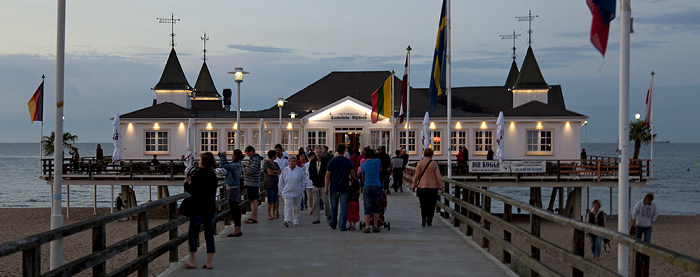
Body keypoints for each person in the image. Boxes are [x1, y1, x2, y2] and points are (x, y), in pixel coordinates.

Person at [183, 152, 218, 269]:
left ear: (204, 162)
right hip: (211, 207)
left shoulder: (198, 175)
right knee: (209, 235)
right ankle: (209, 263)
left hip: (198, 208)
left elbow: (192, 190)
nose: (199, 162)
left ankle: (192, 260)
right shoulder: (213, 175)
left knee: (193, 233)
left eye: (200, 160)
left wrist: (186, 183)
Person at [325, 143, 356, 231]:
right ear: (345, 150)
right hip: (344, 187)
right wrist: (352, 178)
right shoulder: (348, 161)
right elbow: (353, 174)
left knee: (334, 207)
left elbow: (327, 175)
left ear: (336, 150)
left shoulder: (331, 161)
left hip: (334, 187)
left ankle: (333, 223)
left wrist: (326, 188)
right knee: (343, 208)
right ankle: (342, 226)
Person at [411, 148, 444, 227]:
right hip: (433, 188)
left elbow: (416, 176)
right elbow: (438, 176)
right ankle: (430, 220)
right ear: (431, 154)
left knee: (423, 204)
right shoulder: (434, 164)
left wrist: (413, 185)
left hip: (422, 187)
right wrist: (441, 187)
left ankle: (423, 218)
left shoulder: (420, 163)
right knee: (432, 205)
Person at [218, 150, 244, 237]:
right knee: (235, 210)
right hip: (234, 188)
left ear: (236, 156)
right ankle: (237, 229)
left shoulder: (236, 165)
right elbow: (227, 166)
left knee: (235, 210)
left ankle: (237, 230)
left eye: (232, 155)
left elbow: (223, 166)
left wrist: (222, 157)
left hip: (233, 189)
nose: (231, 156)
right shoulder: (238, 164)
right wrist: (223, 157)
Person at [278, 156, 307, 227]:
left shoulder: (299, 170)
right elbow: (281, 182)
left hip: (297, 191)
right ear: (289, 162)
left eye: (294, 161)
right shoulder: (285, 170)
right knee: (288, 206)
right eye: (292, 161)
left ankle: (296, 220)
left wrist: (301, 189)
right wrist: (282, 190)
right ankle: (287, 220)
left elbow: (304, 181)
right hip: (287, 192)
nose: (293, 162)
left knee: (296, 207)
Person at [360, 148, 382, 233]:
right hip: (377, 185)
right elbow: (380, 170)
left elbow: (363, 177)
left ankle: (366, 226)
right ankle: (375, 225)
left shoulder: (363, 165)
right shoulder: (377, 161)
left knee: (367, 206)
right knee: (377, 206)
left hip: (367, 186)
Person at [243, 146, 264, 224]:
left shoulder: (255, 159)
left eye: (247, 153)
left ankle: (254, 217)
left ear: (251, 151)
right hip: (252, 182)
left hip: (252, 182)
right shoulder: (254, 159)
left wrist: (244, 168)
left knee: (253, 200)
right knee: (252, 200)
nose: (247, 154)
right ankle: (253, 216)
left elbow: (252, 170)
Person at [309, 148, 329, 224]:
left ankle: (328, 215)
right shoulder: (312, 162)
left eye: (320, 152)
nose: (318, 154)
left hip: (323, 184)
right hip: (315, 184)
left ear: (322, 153)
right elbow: (310, 171)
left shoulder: (326, 161)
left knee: (325, 201)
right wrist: (313, 179)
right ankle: (316, 217)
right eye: (317, 152)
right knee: (315, 202)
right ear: (315, 153)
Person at [262, 150, 281, 220]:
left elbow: (280, 171)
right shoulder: (266, 164)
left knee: (275, 199)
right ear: (273, 156)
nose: (276, 156)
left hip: (275, 183)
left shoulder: (275, 163)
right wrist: (276, 172)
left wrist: (275, 172)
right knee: (270, 199)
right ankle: (269, 214)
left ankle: (274, 213)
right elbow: (270, 172)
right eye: (275, 155)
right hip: (269, 183)